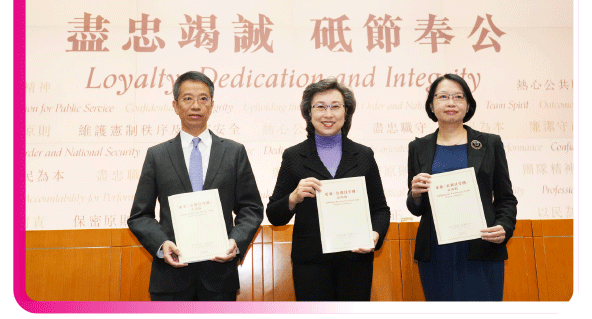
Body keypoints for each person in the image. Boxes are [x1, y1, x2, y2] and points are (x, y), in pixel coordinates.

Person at [128, 71, 264, 301]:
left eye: (203, 98)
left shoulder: (233, 152)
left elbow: (251, 208)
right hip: (171, 277)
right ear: (175, 105)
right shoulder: (157, 155)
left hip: (219, 278)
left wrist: (235, 242)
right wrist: (162, 244)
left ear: (212, 105)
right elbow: (140, 216)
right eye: (187, 98)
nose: (196, 105)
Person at [266, 78, 391, 301]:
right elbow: (275, 215)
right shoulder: (293, 156)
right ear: (308, 112)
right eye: (320, 106)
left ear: (347, 112)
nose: (328, 113)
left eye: (335, 106)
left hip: (356, 261)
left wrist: (374, 235)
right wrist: (293, 197)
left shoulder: (364, 155)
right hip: (311, 263)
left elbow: (381, 209)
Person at [406, 74, 518, 301]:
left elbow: (506, 198)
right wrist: (415, 194)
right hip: (437, 249)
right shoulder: (418, 147)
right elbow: (415, 206)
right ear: (431, 105)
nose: (451, 103)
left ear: (468, 105)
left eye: (458, 97)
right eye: (443, 97)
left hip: (481, 245)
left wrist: (503, 226)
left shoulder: (489, 143)